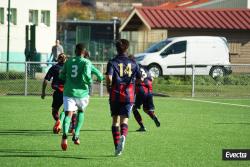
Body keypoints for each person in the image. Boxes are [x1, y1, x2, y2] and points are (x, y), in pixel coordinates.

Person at [106, 39, 141, 156]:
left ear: (116, 48)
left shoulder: (112, 62)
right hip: (128, 95)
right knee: (124, 120)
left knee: (115, 121)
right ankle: (123, 136)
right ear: (127, 48)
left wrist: (108, 88)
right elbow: (140, 79)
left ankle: (117, 147)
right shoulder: (134, 63)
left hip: (115, 94)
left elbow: (109, 78)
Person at [59, 43, 92, 151]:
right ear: (84, 52)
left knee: (68, 114)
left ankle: (64, 136)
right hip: (82, 93)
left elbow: (61, 75)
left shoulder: (68, 62)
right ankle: (76, 134)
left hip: (69, 91)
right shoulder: (86, 62)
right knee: (81, 112)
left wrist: (67, 78)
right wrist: (90, 81)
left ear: (75, 51)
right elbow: (87, 76)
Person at [41, 53, 67, 134]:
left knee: (54, 111)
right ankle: (71, 127)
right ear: (66, 59)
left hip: (58, 92)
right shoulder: (69, 68)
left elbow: (46, 80)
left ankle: (58, 120)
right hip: (68, 92)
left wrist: (43, 92)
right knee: (68, 111)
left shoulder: (54, 67)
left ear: (58, 59)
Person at [132, 64, 160, 132]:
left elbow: (139, 80)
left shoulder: (134, 68)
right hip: (149, 91)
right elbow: (151, 79)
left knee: (134, 108)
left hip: (141, 90)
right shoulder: (145, 68)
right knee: (146, 109)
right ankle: (154, 117)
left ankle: (142, 126)